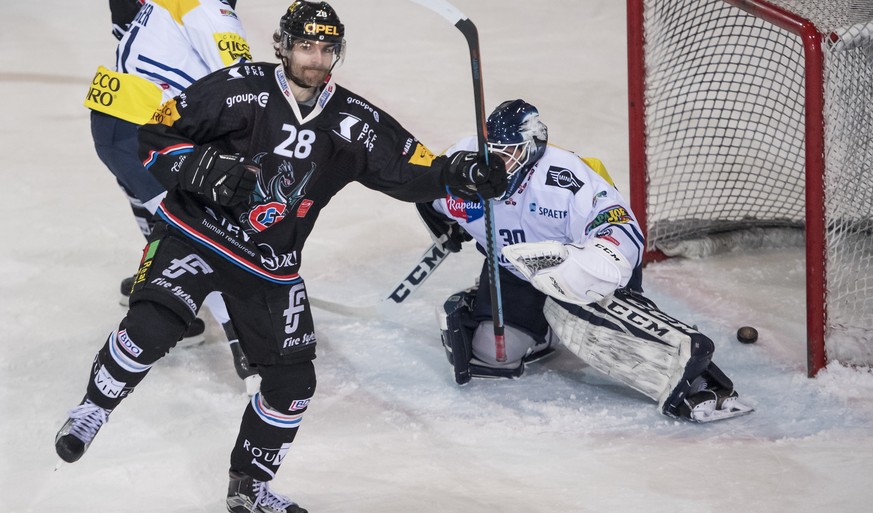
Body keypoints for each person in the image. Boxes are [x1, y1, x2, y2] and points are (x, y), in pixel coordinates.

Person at [55, 2, 507, 512]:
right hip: (194, 232)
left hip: (270, 262)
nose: (315, 59)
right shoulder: (237, 87)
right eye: (306, 46)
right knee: (154, 325)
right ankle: (92, 408)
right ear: (283, 45)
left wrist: (462, 173)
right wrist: (207, 169)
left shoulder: (352, 120)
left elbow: (410, 169)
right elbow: (158, 137)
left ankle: (249, 484)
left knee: (293, 382)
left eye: (326, 48)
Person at [419, 99, 753, 423]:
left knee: (613, 337)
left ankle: (696, 378)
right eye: (492, 152)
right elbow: (420, 183)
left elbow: (622, 230)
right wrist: (441, 218)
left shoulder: (564, 179)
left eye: (509, 155)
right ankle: (543, 326)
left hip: (580, 266)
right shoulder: (463, 168)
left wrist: (584, 270)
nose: (496, 165)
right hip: (516, 271)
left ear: (532, 149)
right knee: (494, 356)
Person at [91, 0, 259, 390]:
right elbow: (244, 86)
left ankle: (162, 289)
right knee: (204, 230)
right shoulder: (210, 9)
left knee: (161, 212)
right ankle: (247, 347)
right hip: (141, 130)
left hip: (119, 122)